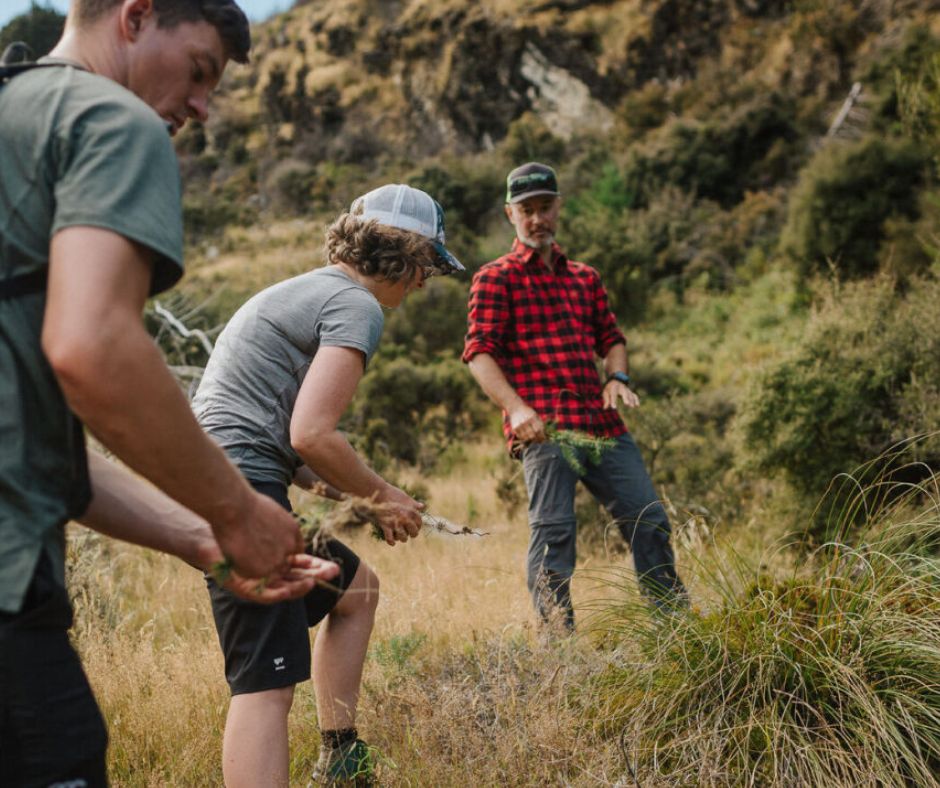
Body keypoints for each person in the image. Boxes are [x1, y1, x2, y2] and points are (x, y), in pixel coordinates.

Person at [0, 1, 330, 784]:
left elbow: (35, 452)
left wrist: (202, 540)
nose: (201, 107)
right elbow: (93, 350)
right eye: (199, 70)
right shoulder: (108, 121)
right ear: (137, 15)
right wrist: (238, 510)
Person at [191, 183, 465, 787]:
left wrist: (369, 503)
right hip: (239, 489)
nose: (424, 283)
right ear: (403, 253)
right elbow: (313, 434)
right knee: (265, 685)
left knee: (356, 590)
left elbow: (290, 450)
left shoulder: (308, 290)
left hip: (228, 476)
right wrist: (388, 495)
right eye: (427, 265)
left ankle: (340, 756)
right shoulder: (355, 305)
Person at [463, 162, 687, 632]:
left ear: (559, 207)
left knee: (648, 520)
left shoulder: (585, 278)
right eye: (527, 210)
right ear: (510, 214)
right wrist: (517, 410)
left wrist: (617, 377)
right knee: (554, 537)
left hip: (602, 424)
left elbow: (612, 338)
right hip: (544, 429)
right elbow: (479, 354)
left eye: (545, 207)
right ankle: (558, 647)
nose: (537, 219)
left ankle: (674, 629)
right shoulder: (495, 278)